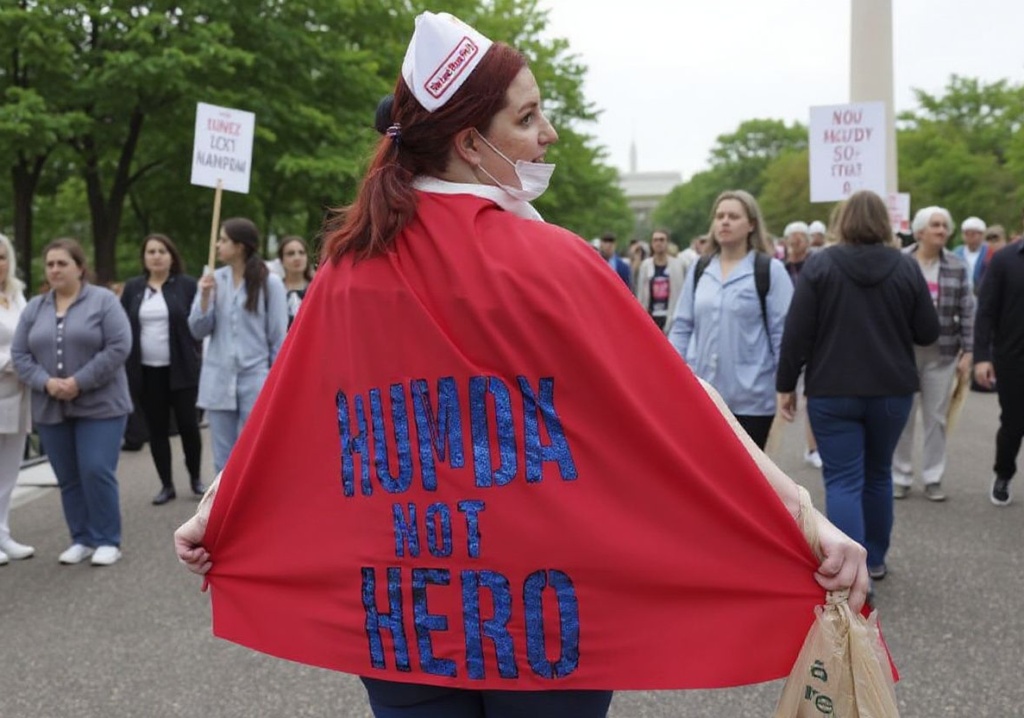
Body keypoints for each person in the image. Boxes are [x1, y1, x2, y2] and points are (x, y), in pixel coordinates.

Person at [175, 12, 868, 718]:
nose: (550, 134)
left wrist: (217, 505)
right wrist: (808, 519)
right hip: (548, 619)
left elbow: (294, 410)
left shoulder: (347, 269)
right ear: (472, 144)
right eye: (530, 116)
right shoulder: (558, 262)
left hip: (400, 610)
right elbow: (682, 405)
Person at [777, 191, 940, 585]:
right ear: (885, 223)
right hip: (891, 389)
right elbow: (928, 331)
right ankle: (877, 559)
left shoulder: (820, 266)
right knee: (879, 474)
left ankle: (852, 569)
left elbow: (797, 333)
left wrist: (786, 385)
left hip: (833, 389)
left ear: (842, 220)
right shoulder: (905, 268)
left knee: (843, 479)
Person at [12, 238, 132, 566]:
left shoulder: (104, 301)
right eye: (49, 264)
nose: (54, 270)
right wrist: (46, 382)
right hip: (51, 406)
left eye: (61, 263)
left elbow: (119, 346)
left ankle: (108, 539)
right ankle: (81, 538)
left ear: (80, 267)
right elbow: (20, 354)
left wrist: (80, 381)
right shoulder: (35, 308)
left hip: (102, 405)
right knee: (67, 477)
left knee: (95, 469)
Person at [669, 190, 794, 449]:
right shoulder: (700, 269)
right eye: (720, 216)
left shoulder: (769, 270)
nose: (724, 221)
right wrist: (672, 372)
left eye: (733, 216)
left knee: (747, 478)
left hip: (752, 400)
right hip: (702, 395)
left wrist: (786, 386)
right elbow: (682, 326)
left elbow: (782, 333)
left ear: (751, 225)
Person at [189, 218, 287, 475]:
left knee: (260, 452)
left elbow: (278, 338)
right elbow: (197, 330)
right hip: (218, 378)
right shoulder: (211, 280)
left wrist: (277, 384)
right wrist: (205, 296)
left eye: (223, 240)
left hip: (255, 380)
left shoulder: (270, 282)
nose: (218, 245)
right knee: (223, 459)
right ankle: (224, 512)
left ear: (240, 246)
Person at [892, 207, 973, 502]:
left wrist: (969, 350)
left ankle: (933, 476)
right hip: (904, 352)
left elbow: (967, 309)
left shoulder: (957, 265)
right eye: (935, 225)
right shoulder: (901, 262)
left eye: (944, 226)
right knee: (903, 416)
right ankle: (900, 476)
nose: (941, 231)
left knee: (936, 418)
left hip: (944, 352)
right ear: (920, 231)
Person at [121, 233, 204, 505]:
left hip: (181, 369)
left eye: (162, 251)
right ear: (144, 258)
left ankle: (195, 478)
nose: (156, 256)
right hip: (147, 371)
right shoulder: (133, 288)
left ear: (172, 256)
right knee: (156, 429)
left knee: (189, 426)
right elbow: (123, 326)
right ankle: (166, 484)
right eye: (151, 252)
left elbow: (199, 323)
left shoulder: (187, 286)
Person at [974, 234, 1024, 506]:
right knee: (1014, 424)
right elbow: (986, 311)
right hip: (1013, 359)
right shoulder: (1005, 260)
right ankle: (1003, 474)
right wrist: (981, 357)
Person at [0, 233, 33, 564]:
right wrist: (13, 362)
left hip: (19, 394)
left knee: (10, 469)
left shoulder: (17, 295)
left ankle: (3, 533)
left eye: (2, 256)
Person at [781, 221, 823, 469]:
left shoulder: (817, 267)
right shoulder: (778, 269)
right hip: (788, 335)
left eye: (801, 238)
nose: (797, 242)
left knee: (812, 392)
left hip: (815, 335)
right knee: (785, 391)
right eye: (792, 238)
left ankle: (813, 447)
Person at [635, 228, 685, 334]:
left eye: (662, 240)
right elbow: (641, 294)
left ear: (667, 243)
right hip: (651, 318)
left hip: (672, 317)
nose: (658, 243)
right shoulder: (645, 265)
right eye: (655, 240)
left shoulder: (679, 265)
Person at [277, 235, 314, 328]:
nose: (297, 257)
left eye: (301, 253)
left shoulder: (316, 289)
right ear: (281, 260)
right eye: (290, 253)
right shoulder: (275, 290)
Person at [953, 216, 989, 295]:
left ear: (982, 235)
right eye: (966, 234)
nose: (969, 237)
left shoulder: (989, 252)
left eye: (973, 234)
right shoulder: (956, 253)